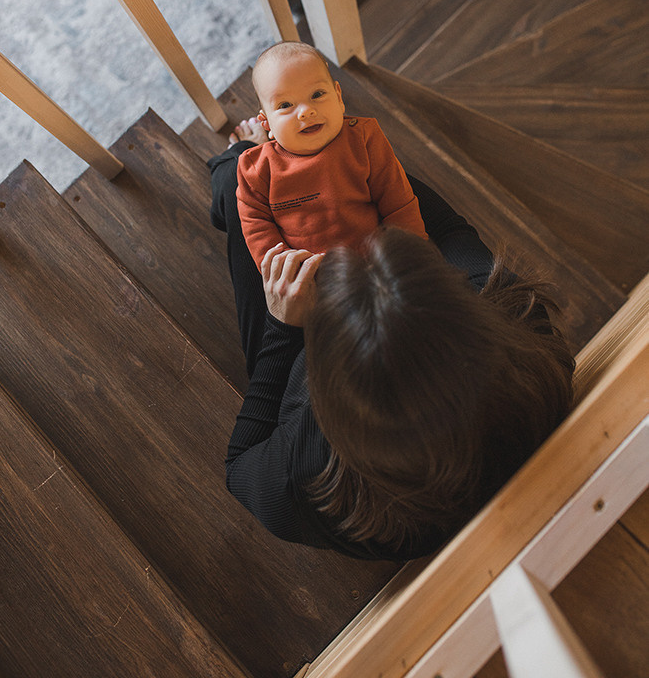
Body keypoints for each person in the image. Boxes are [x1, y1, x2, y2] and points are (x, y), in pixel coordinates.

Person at [208, 130, 575, 562]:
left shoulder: (300, 475)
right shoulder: (517, 318)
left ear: (324, 383)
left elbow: (240, 463)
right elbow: (447, 229)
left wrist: (283, 328)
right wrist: (351, 148)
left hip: (299, 381)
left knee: (237, 181)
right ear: (458, 305)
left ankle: (230, 165)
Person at [231, 41, 427, 270]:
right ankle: (242, 148)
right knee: (230, 174)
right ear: (267, 123)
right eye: (285, 105)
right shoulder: (256, 169)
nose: (306, 111)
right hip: (309, 277)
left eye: (317, 94)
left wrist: (411, 258)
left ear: (338, 97)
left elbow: (399, 204)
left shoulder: (363, 139)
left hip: (378, 263)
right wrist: (287, 270)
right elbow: (256, 226)